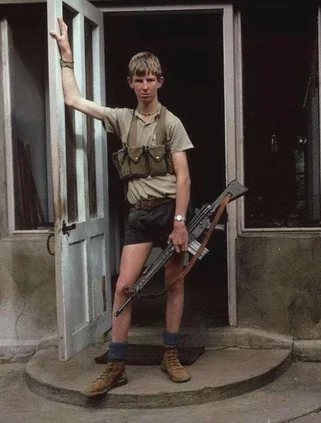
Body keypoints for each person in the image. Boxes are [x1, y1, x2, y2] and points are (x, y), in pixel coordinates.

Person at [50, 18, 194, 396]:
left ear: (160, 82)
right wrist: (66, 57)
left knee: (174, 284)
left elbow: (183, 177)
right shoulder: (121, 118)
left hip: (170, 212)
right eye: (139, 79)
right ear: (131, 83)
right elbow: (74, 100)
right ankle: (116, 366)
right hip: (140, 215)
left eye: (151, 79)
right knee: (124, 287)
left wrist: (180, 223)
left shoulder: (172, 123)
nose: (145, 85)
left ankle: (170, 354)